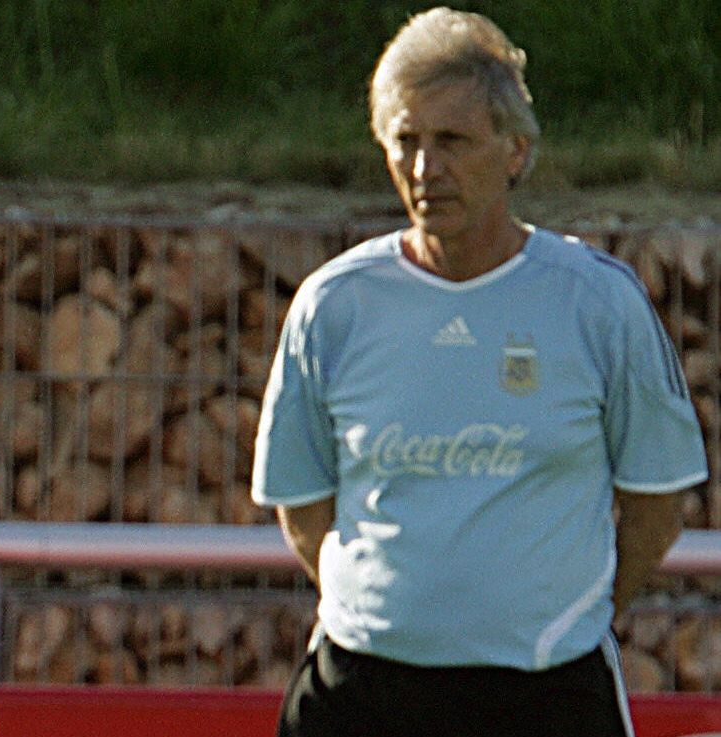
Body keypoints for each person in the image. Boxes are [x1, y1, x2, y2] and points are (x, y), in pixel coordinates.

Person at [251, 8, 708, 737]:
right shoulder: (334, 305)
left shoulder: (599, 301)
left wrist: (560, 619)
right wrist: (397, 620)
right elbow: (303, 509)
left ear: (516, 150)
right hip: (361, 689)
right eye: (407, 141)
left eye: (454, 141)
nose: (428, 169)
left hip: (548, 694)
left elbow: (656, 506)